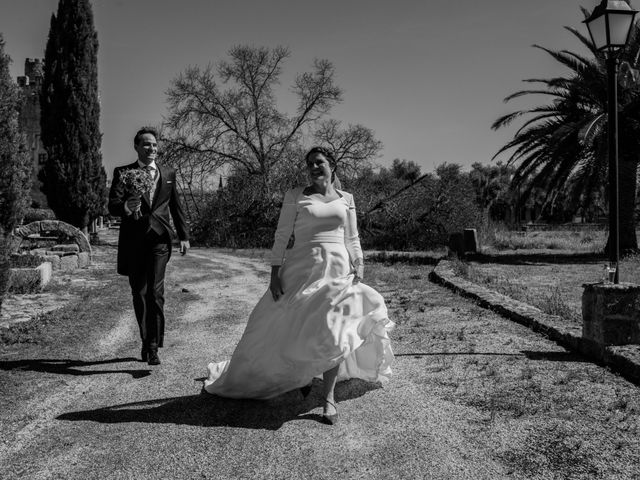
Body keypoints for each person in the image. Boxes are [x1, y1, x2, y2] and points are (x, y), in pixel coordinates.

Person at [203, 146, 394, 425]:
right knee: (293, 326)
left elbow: (352, 237)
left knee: (335, 330)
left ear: (333, 166)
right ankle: (302, 375)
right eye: (310, 164)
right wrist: (275, 272)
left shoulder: (347, 199)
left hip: (338, 270)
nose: (314, 167)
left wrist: (359, 263)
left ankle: (328, 398)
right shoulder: (295, 196)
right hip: (302, 268)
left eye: (320, 162)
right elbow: (282, 235)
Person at [108, 127, 190, 366]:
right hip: (134, 242)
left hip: (160, 240)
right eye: (146, 144)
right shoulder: (123, 172)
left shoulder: (169, 173)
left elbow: (177, 206)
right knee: (140, 294)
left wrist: (183, 236)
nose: (151, 148)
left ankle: (153, 346)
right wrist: (127, 205)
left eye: (154, 144)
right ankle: (146, 340)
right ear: (136, 147)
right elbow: (113, 205)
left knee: (156, 292)